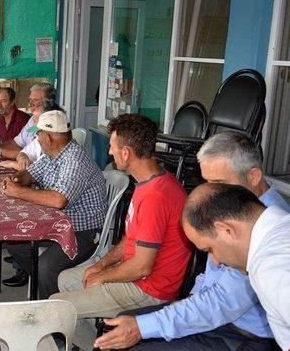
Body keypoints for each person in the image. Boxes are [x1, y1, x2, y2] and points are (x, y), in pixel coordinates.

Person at [95, 131, 288, 350]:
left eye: (219, 183)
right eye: (206, 182)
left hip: (242, 336)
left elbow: (220, 303)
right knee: (122, 324)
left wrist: (144, 327)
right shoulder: (236, 215)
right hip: (214, 318)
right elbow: (208, 278)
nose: (209, 191)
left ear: (253, 176)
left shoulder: (273, 260)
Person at [51, 114, 191, 351]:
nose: (109, 152)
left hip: (151, 289)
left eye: (112, 146)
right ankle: (92, 341)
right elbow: (132, 238)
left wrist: (104, 276)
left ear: (126, 152)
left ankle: (91, 341)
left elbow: (142, 266)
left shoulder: (156, 196)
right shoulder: (149, 181)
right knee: (66, 278)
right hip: (140, 277)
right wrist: (102, 264)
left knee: (55, 306)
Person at [1, 110, 107, 299]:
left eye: (38, 133)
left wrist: (19, 192)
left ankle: (52, 314)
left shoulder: (74, 160)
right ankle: (47, 287)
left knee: (46, 266)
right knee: (15, 241)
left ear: (49, 138)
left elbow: (58, 200)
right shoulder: (53, 155)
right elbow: (31, 173)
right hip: (57, 225)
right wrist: (17, 179)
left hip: (82, 232)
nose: (36, 137)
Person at [182, 183, 290, 350]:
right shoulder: (281, 223)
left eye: (210, 249)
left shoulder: (271, 269)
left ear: (226, 230)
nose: (216, 259)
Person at [0, 82, 55, 159]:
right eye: (30, 100)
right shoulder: (32, 121)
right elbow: (16, 143)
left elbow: (33, 155)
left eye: (35, 100)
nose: (30, 104)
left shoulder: (52, 123)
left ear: (48, 102)